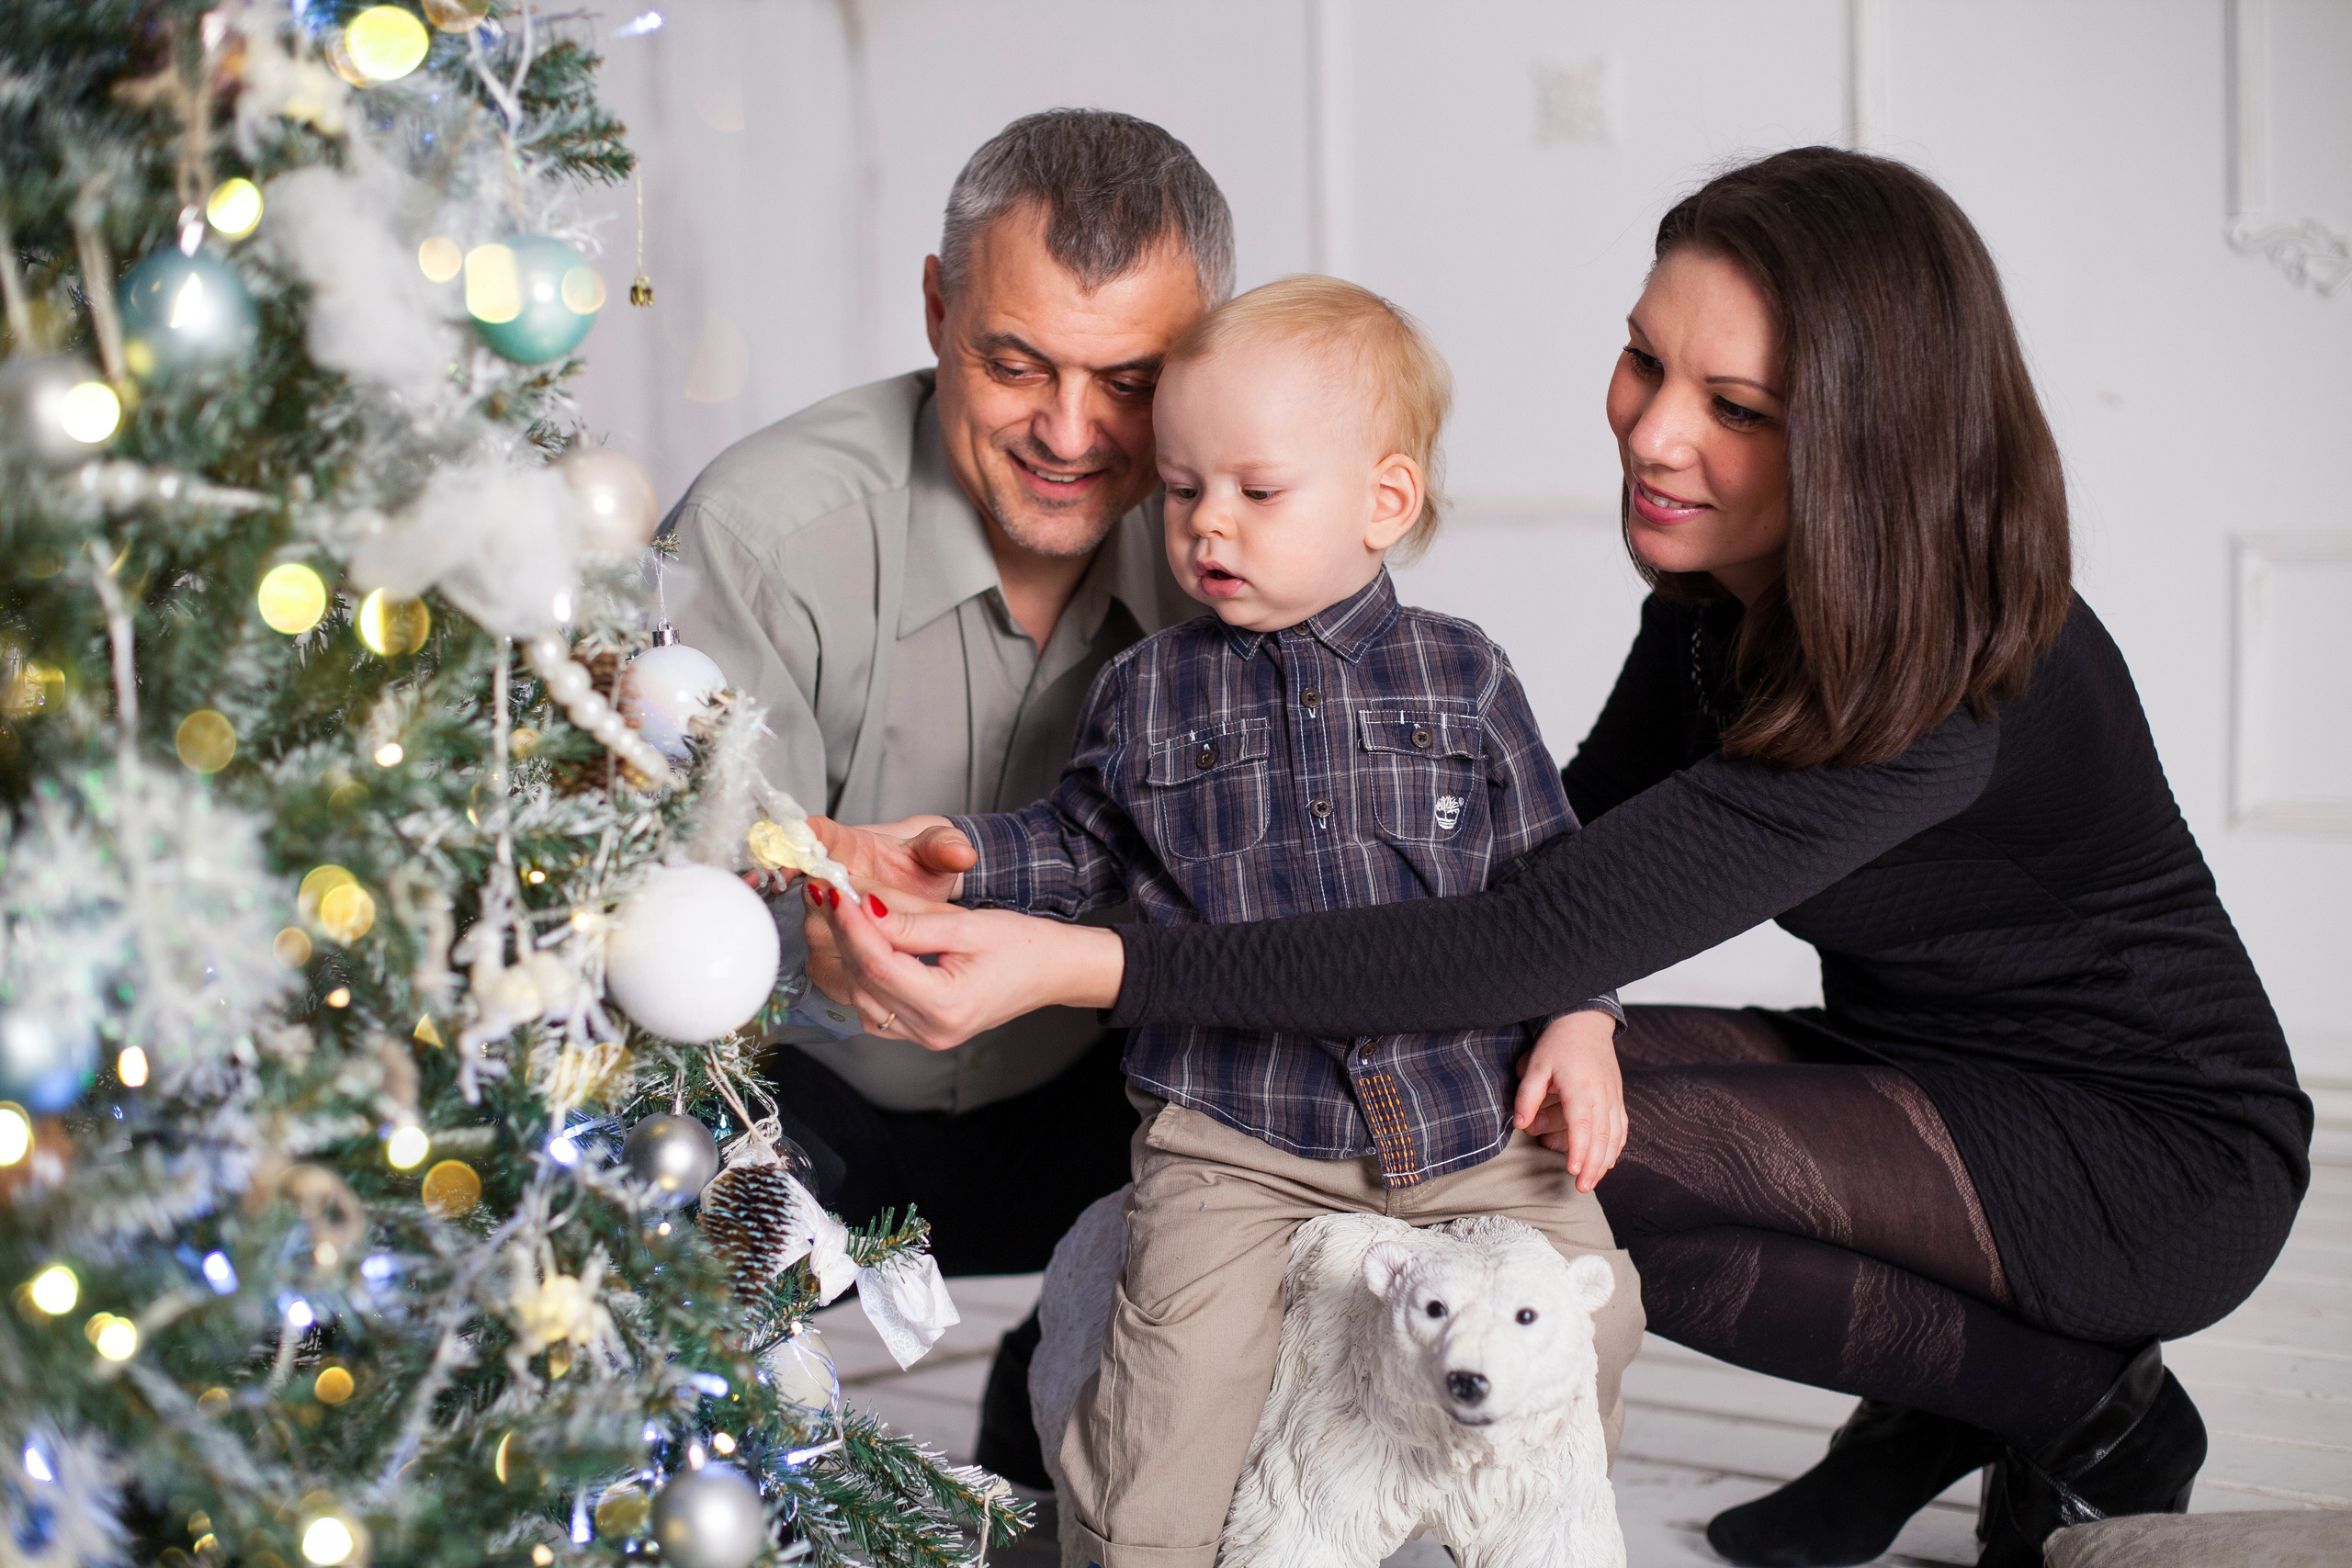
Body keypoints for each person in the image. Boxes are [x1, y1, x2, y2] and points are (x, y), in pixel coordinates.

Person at [808, 148, 2313, 1568]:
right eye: (1646, 358)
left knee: (1536, 1154)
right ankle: (1967, 1382)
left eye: (1740, 405)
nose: (1657, 432)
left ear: (1870, 438)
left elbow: (1517, 938)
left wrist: (1095, 964)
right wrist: (1015, 870)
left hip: (2147, 1150)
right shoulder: (1729, 594)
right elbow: (1545, 856)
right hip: (1918, 1065)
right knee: (1514, 1089)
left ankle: (2080, 1407)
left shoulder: (1948, 685)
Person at [809, 275, 1642, 1568]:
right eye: (1185, 490)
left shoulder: (1464, 673)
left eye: (1256, 492)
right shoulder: (1147, 690)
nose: (1209, 525)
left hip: (1467, 1116)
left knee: (1604, 1308)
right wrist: (966, 854)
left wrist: (1584, 1024)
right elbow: (1079, 843)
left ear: (1385, 501)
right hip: (1241, 1134)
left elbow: (1555, 878)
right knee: (1166, 1386)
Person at [656, 108, 1218, 1484]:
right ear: (934, 306)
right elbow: (634, 893)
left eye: (1132, 382)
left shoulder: (1243, 545)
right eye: (1015, 363)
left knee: (1288, 1159)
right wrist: (797, 925)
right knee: (651, 1283)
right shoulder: (762, 533)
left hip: (1104, 1106)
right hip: (797, 1101)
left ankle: (1056, 1412)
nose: (1072, 434)